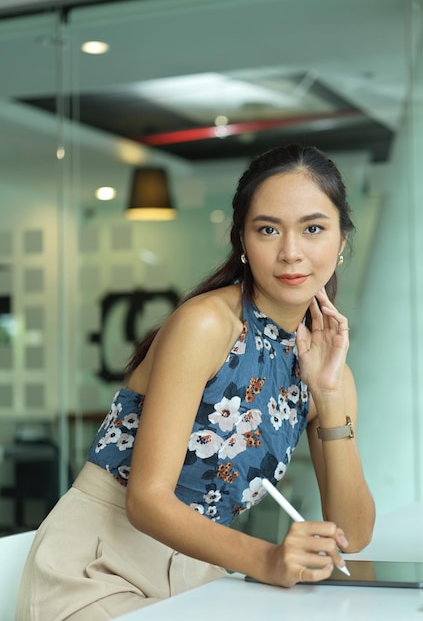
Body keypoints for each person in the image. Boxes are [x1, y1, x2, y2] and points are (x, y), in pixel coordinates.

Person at [16, 143, 375, 620]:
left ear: (342, 241)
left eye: (313, 228)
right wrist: (266, 557)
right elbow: (146, 500)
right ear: (243, 242)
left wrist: (328, 396)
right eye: (268, 229)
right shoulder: (207, 324)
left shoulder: (328, 369)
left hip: (197, 576)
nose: (291, 252)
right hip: (98, 567)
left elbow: (352, 533)